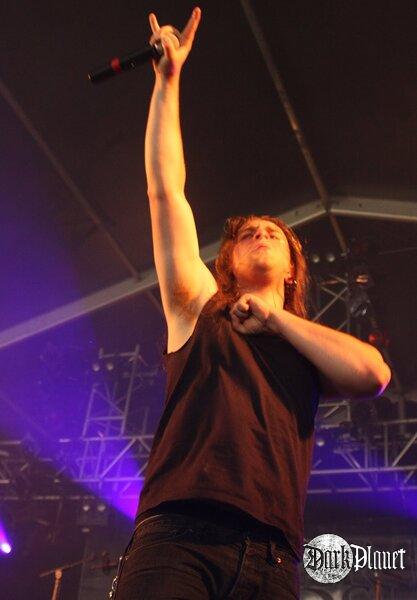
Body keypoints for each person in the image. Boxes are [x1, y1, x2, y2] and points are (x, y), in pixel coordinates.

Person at [112, 7, 391, 599]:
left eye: (274, 234)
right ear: (229, 262)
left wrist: (276, 320)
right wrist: (168, 82)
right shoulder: (199, 305)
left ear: (292, 270)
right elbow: (165, 191)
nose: (261, 234)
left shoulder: (305, 346)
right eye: (247, 234)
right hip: (177, 538)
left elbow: (374, 374)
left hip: (273, 557)